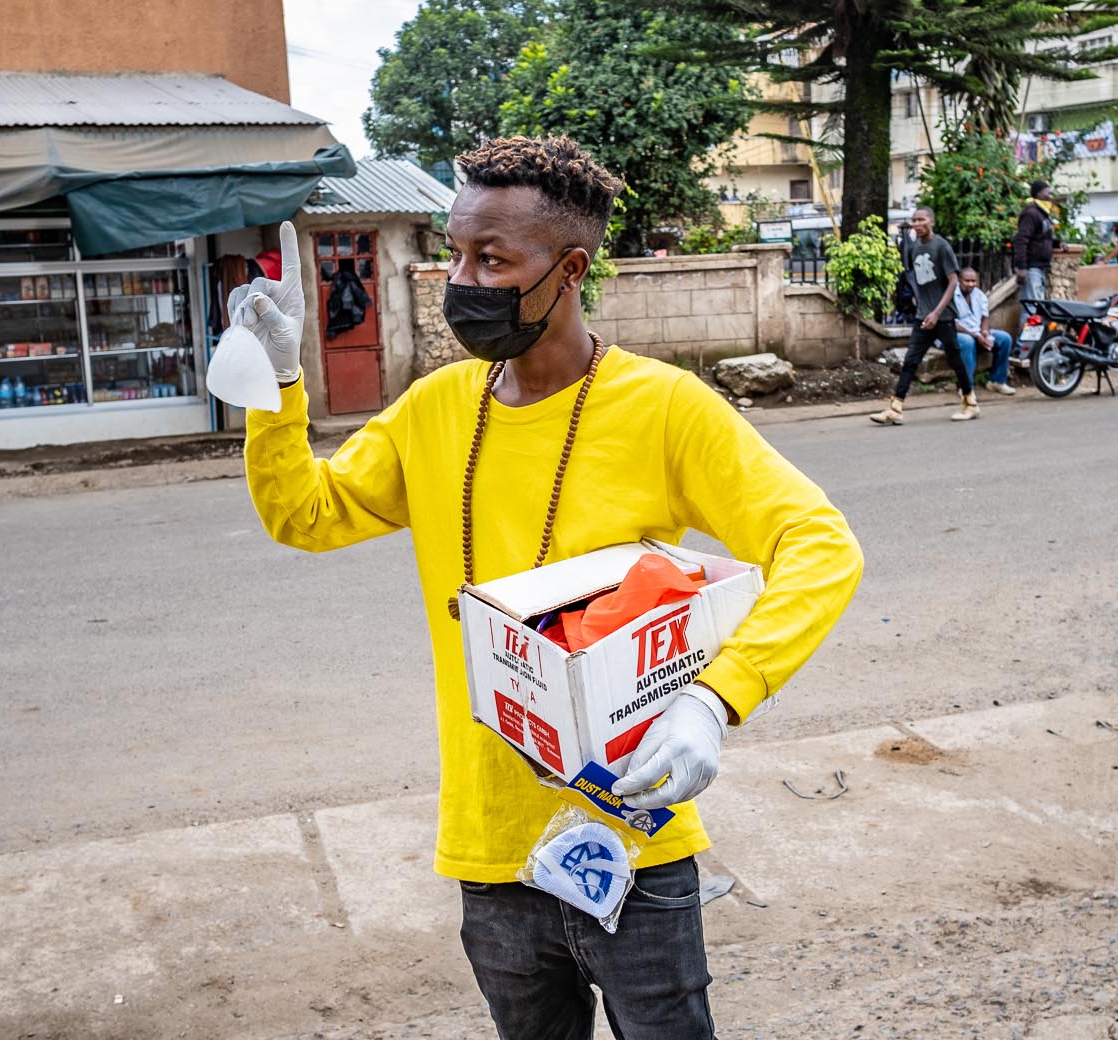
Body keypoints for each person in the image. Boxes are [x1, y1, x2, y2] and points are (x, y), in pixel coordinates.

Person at [236, 135, 863, 1040]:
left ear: (568, 268)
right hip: (491, 849)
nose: (462, 278)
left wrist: (715, 702)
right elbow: (305, 513)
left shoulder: (664, 409)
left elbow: (819, 543)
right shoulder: (435, 410)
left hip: (635, 841)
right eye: (455, 252)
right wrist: (278, 381)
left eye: (491, 258)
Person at [869, 206, 979, 424]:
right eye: (914, 220)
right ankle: (896, 408)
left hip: (943, 315)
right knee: (910, 360)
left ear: (932, 222)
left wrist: (937, 313)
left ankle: (971, 402)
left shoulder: (941, 246)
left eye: (921, 220)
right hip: (924, 315)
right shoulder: (915, 247)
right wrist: (921, 307)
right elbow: (918, 282)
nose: (917, 224)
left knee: (955, 359)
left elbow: (953, 282)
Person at [953, 267, 1015, 395]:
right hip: (958, 334)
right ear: (959, 280)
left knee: (1005, 338)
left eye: (973, 281)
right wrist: (976, 336)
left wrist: (985, 332)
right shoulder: (952, 295)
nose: (971, 284)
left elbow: (985, 316)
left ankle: (996, 382)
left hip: (977, 332)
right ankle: (966, 388)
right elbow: (952, 324)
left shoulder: (979, 294)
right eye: (967, 281)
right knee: (968, 342)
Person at [1013, 179, 1056, 312]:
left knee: (1037, 308)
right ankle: (1026, 334)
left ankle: (1033, 333)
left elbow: (1043, 238)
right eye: (1046, 193)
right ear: (1038, 194)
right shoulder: (1031, 213)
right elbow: (1022, 240)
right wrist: (1022, 267)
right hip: (1031, 267)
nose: (1050, 196)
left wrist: (1059, 243)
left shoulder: (1043, 213)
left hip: (1039, 267)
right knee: (1032, 309)